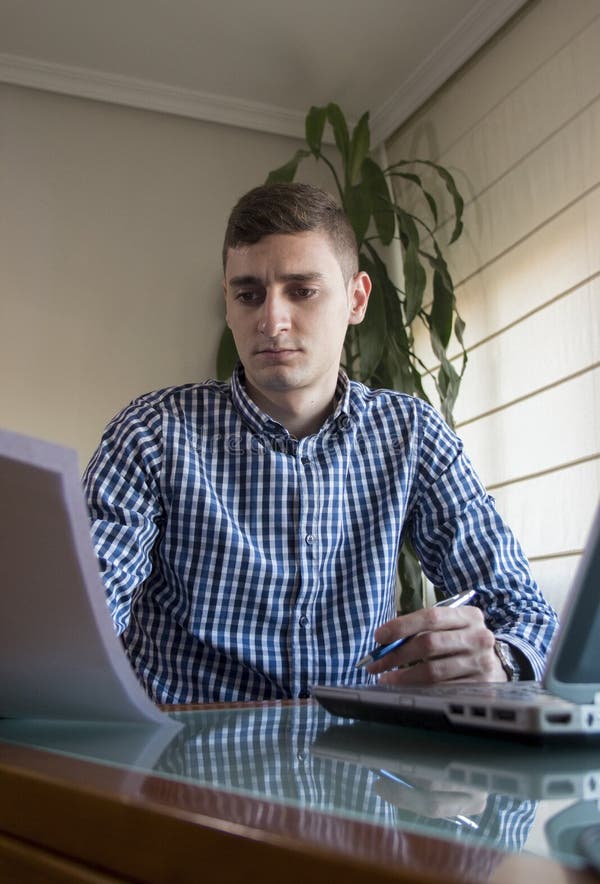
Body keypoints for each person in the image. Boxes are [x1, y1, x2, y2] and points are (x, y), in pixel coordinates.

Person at [83, 182, 558, 705]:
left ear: (356, 299)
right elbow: (80, 619)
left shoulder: (412, 435)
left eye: (301, 290)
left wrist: (499, 661)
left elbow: (527, 616)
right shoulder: (152, 433)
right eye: (248, 294)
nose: (271, 320)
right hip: (182, 767)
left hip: (359, 762)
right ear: (228, 302)